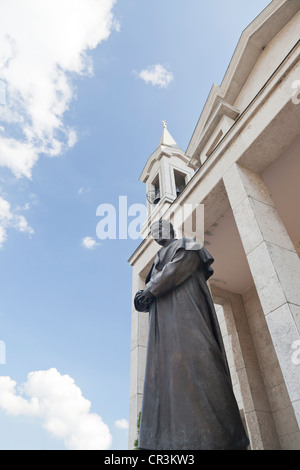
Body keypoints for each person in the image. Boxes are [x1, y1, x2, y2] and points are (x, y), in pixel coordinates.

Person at [134, 219, 249, 450]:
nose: (156, 235)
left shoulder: (186, 245)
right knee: (168, 380)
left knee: (201, 364)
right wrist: (144, 295)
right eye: (152, 233)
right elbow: (152, 289)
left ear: (169, 229)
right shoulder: (157, 261)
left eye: (158, 230)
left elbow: (178, 269)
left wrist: (149, 291)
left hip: (187, 315)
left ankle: (223, 436)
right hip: (164, 327)